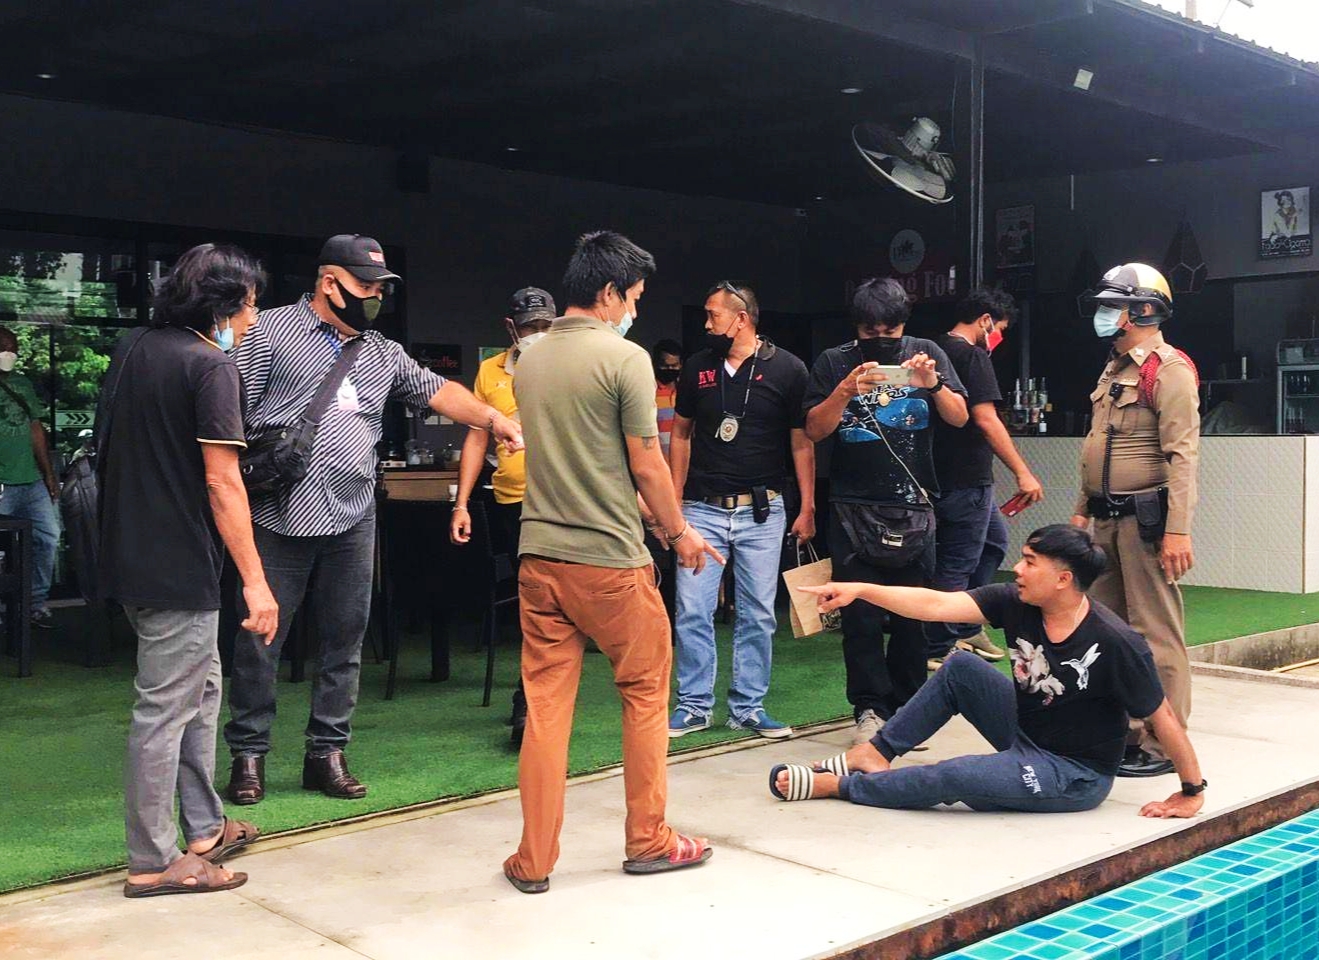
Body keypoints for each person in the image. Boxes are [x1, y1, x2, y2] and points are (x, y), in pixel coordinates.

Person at [223, 234, 523, 804]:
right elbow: (231, 414)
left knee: (345, 639)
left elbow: (437, 391)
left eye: (381, 288)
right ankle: (248, 755)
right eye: (365, 286)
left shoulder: (382, 351)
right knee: (260, 641)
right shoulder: (267, 331)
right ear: (328, 282)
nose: (375, 298)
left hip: (354, 517)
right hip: (276, 514)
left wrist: (493, 419)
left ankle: (326, 753)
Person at [503, 230, 722, 894]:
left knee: (545, 710)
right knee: (646, 694)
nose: (635, 308)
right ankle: (649, 839)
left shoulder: (529, 359)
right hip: (609, 562)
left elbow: (580, 456)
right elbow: (645, 462)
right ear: (608, 292)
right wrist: (679, 532)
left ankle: (533, 860)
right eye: (634, 296)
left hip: (539, 555)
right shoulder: (626, 359)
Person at [769, 525, 1207, 822]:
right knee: (962, 667)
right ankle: (875, 753)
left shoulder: (1115, 642)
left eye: (1030, 562)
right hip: (1025, 730)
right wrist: (861, 590)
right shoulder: (1015, 601)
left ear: (1062, 579)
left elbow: (1163, 717)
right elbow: (936, 604)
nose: (1018, 569)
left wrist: (1192, 792)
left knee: (956, 776)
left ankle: (841, 787)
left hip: (1072, 773)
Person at [98, 243, 279, 897]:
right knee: (166, 710)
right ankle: (152, 860)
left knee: (200, 694)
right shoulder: (210, 366)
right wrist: (256, 581)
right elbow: (223, 482)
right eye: (249, 305)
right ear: (222, 306)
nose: (253, 319)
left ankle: (203, 829)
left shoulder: (134, 347)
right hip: (177, 562)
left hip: (130, 552)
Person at [803, 278, 967, 745]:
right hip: (852, 507)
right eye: (871, 331)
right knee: (860, 616)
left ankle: (909, 712)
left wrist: (932, 383)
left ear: (904, 324)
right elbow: (813, 429)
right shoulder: (835, 361)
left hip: (915, 504)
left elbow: (959, 417)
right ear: (857, 327)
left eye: (890, 330)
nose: (882, 338)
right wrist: (845, 391)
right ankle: (869, 710)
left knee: (913, 615)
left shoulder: (926, 353)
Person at [667, 281, 813, 739]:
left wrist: (808, 506)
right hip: (701, 509)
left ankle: (748, 707)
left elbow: (801, 441)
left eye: (714, 315)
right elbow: (681, 434)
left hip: (762, 511)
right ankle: (694, 706)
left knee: (758, 614)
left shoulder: (788, 368)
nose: (707, 323)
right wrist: (673, 503)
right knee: (692, 609)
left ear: (741, 319)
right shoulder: (697, 367)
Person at [1072, 263, 1199, 779]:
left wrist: (1178, 529)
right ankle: (1122, 733)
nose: (1106, 315)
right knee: (1109, 631)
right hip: (1105, 520)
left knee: (1156, 635)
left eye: (1114, 306)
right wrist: (1081, 510)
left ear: (1143, 310)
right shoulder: (1114, 368)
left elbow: (1183, 456)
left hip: (1145, 523)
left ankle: (1165, 744)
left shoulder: (1168, 370)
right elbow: (1097, 447)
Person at [450, 286, 556, 750]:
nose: (537, 333)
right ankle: (529, 700)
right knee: (530, 601)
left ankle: (535, 702)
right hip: (512, 502)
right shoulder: (490, 371)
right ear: (511, 327)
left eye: (545, 326)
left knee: (552, 603)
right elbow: (477, 437)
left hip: (560, 500)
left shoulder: (566, 363)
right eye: (529, 326)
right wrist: (462, 503)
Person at [927, 289, 1042, 668]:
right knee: (957, 562)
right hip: (966, 477)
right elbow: (986, 418)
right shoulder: (972, 356)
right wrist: (1023, 472)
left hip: (942, 476)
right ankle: (939, 643)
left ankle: (966, 623)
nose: (999, 337)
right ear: (985, 320)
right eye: (1000, 329)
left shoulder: (933, 350)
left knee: (993, 543)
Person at [0, 327, 62, 628]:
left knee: (48, 537)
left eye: (13, 348)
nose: (9, 353)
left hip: (31, 480)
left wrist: (48, 474)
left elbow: (36, 429)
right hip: (3, 483)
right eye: (4, 347)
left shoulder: (22, 384)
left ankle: (34, 603)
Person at [652, 338, 683, 462]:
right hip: (657, 463)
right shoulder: (649, 391)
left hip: (683, 464)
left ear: (681, 364)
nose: (670, 369)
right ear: (655, 364)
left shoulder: (685, 391)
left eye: (674, 366)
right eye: (665, 366)